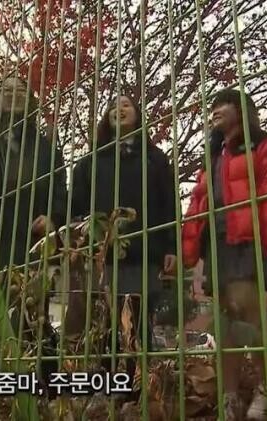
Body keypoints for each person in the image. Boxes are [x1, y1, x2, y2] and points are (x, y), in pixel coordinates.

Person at [180, 88, 267, 420]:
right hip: (216, 243)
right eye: (213, 107)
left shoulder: (263, 144)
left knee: (249, 311)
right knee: (226, 320)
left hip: (247, 240)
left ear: (242, 110)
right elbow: (198, 203)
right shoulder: (212, 156)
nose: (215, 111)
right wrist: (188, 246)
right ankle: (229, 395)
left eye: (224, 105)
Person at [0, 76, 67, 421]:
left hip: (34, 244)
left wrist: (53, 217)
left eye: (21, 91)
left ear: (31, 101)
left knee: (40, 326)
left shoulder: (46, 146)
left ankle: (48, 405)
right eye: (7, 91)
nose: (13, 96)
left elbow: (60, 187)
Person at [66, 93, 178, 395]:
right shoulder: (90, 162)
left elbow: (169, 204)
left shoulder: (155, 159)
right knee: (103, 324)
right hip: (103, 255)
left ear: (138, 115)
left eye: (126, 105)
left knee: (138, 323)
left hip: (146, 252)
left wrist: (172, 247)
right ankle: (104, 388)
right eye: (113, 107)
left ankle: (137, 389)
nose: (119, 109)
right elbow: (76, 207)